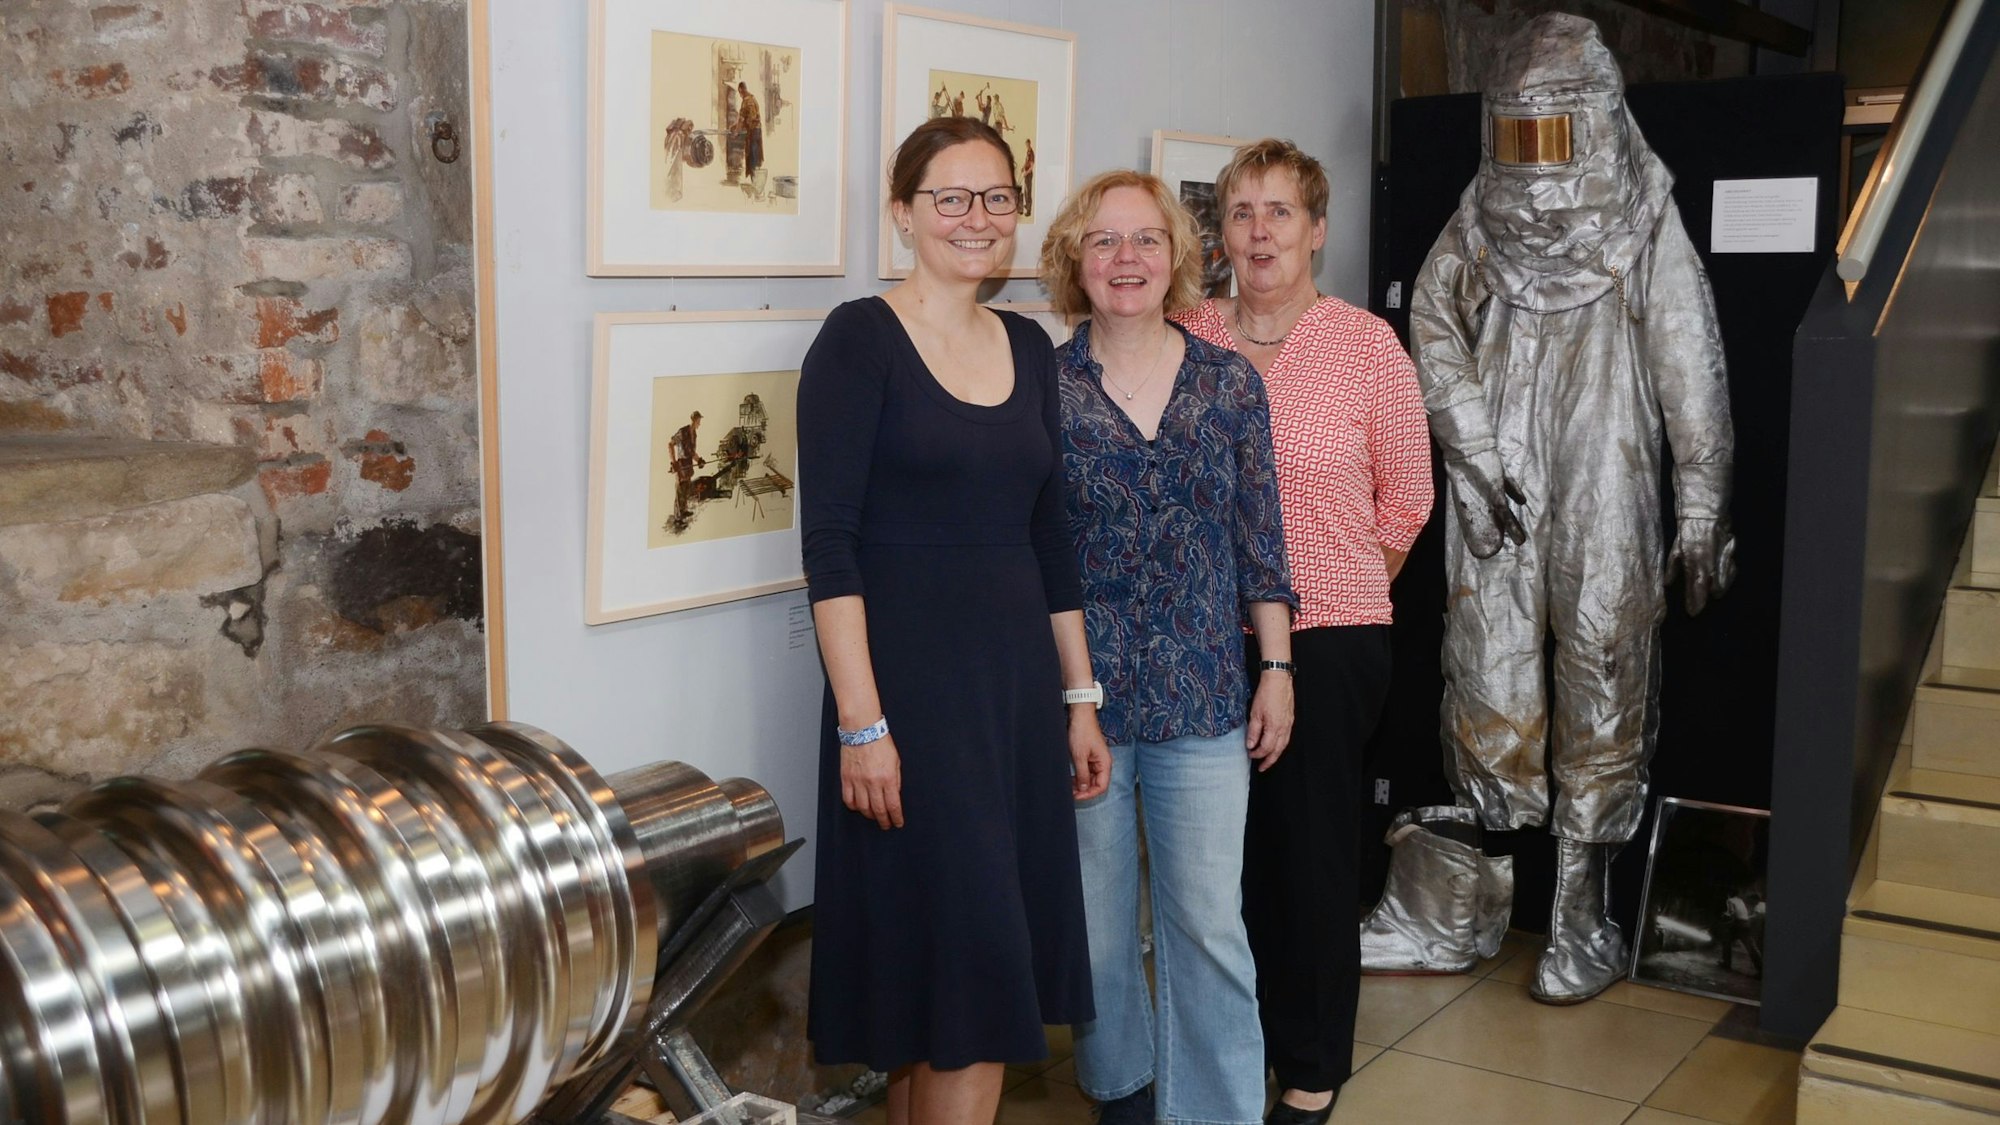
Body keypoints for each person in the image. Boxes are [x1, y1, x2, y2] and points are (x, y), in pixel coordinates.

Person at [1403, 12, 1735, 1006]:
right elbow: (1432, 319)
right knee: (1488, 669)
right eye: (1518, 133)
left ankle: (1580, 910)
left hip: (1607, 470)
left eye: (1553, 132)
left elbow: (1689, 362)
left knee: (1604, 663)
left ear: (1595, 120)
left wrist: (1702, 502)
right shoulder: (1479, 216)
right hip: (1497, 480)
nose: (1537, 160)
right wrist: (1471, 444)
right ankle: (1474, 900)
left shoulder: (1645, 220)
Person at [798, 115, 1107, 1125]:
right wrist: (862, 724)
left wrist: (1079, 699)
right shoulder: (858, 341)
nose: (977, 218)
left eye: (997, 198)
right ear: (903, 212)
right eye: (951, 198)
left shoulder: (1028, 345)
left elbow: (1049, 534)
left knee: (954, 982)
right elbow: (829, 548)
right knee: (956, 978)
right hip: (906, 705)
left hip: (1013, 702)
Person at [1176, 139, 1434, 1124]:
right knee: (1219, 862)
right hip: (1206, 638)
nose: (1258, 233)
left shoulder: (1366, 346)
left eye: (1279, 212)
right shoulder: (1189, 335)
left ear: (1316, 230)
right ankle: (1231, 1045)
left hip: (1328, 638)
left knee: (1310, 857)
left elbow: (1406, 500)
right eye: (1241, 213)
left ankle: (1311, 1064)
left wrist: (1336, 588)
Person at [1041, 169, 1297, 1125]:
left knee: (1209, 926)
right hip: (1085, 703)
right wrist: (1070, 695)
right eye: (1104, 240)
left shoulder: (1228, 383)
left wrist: (1277, 668)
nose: (1127, 258)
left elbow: (1260, 544)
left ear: (1179, 256)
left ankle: (1219, 1110)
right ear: (1075, 259)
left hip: (1205, 696)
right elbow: (1035, 549)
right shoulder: (1043, 389)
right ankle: (1123, 1092)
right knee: (1098, 928)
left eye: (1147, 239)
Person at [668, 410, 706, 527]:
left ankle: (683, 511)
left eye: (699, 420)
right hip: (681, 464)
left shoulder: (694, 434)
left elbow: (692, 452)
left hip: (688, 464)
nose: (699, 423)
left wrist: (699, 460)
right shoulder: (682, 431)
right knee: (680, 491)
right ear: (694, 420)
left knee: (686, 489)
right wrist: (674, 463)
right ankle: (677, 519)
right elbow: (670, 444)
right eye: (698, 420)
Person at [735, 81, 764, 189]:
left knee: (752, 157)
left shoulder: (745, 102)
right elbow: (749, 117)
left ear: (741, 90)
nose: (740, 95)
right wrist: (735, 126)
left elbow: (741, 119)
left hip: (752, 133)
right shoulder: (753, 99)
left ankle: (755, 184)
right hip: (758, 131)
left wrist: (736, 132)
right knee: (757, 156)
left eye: (740, 92)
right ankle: (757, 183)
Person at [1020, 138, 1035, 219]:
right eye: (1026, 144)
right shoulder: (1028, 151)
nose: (1026, 145)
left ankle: (1029, 210)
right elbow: (1026, 162)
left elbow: (1032, 166)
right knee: (1025, 191)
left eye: (1027, 144)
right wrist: (1023, 168)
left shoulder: (1031, 153)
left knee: (1028, 192)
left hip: (1029, 174)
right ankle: (1026, 205)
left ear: (1030, 143)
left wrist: (1027, 172)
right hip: (1026, 173)